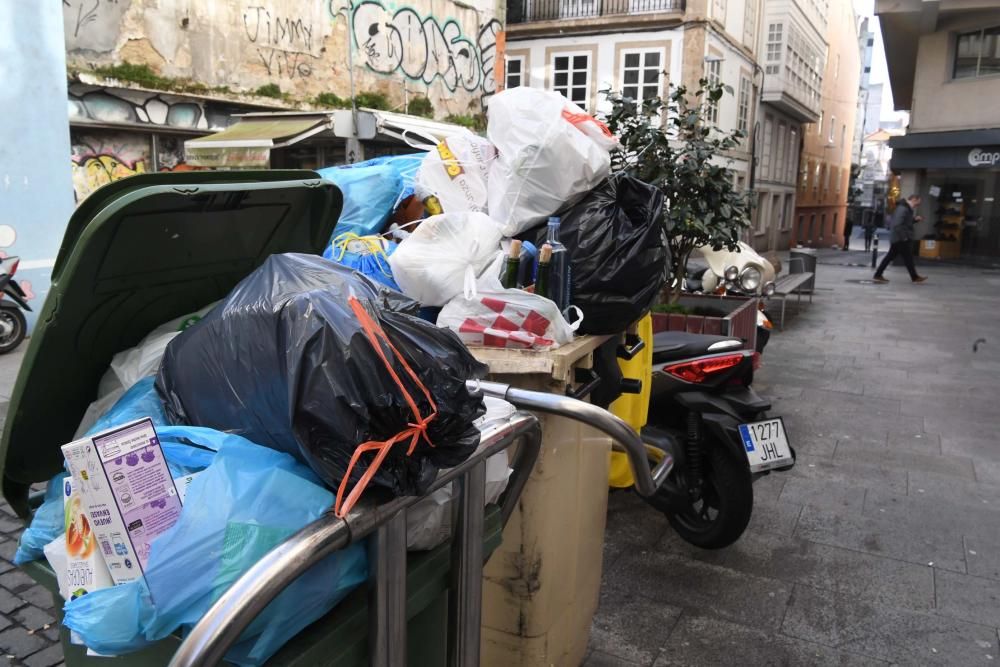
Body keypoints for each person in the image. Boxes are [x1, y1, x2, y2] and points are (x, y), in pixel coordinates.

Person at [873, 194, 927, 283]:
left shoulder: (906, 209)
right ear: (913, 199)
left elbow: (905, 222)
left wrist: (914, 220)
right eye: (918, 203)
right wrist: (904, 237)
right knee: (907, 258)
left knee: (892, 257)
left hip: (899, 238)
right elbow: (898, 224)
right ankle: (914, 277)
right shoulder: (903, 208)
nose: (918, 204)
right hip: (900, 238)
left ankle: (878, 274)